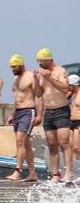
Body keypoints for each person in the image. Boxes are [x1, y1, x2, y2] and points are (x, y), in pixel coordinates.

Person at [35, 48, 72, 182]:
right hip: (48, 111)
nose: (40, 64)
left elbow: (65, 89)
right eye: (38, 61)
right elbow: (39, 94)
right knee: (51, 144)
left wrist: (48, 78)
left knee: (64, 143)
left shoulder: (60, 71)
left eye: (42, 61)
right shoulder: (42, 74)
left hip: (61, 110)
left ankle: (68, 173)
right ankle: (55, 174)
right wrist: (36, 80)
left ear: (49, 59)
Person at [5, 55, 42, 182]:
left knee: (20, 141)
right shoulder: (16, 79)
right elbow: (17, 99)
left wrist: (39, 115)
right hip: (18, 113)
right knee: (25, 144)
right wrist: (11, 115)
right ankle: (33, 173)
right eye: (11, 67)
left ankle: (18, 171)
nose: (13, 69)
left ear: (21, 65)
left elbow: (39, 96)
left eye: (15, 67)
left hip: (28, 111)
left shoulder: (31, 76)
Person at [69, 75, 80, 160]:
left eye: (69, 85)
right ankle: (72, 168)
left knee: (76, 147)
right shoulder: (73, 95)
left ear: (74, 85)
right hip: (71, 123)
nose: (68, 87)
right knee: (71, 147)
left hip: (78, 123)